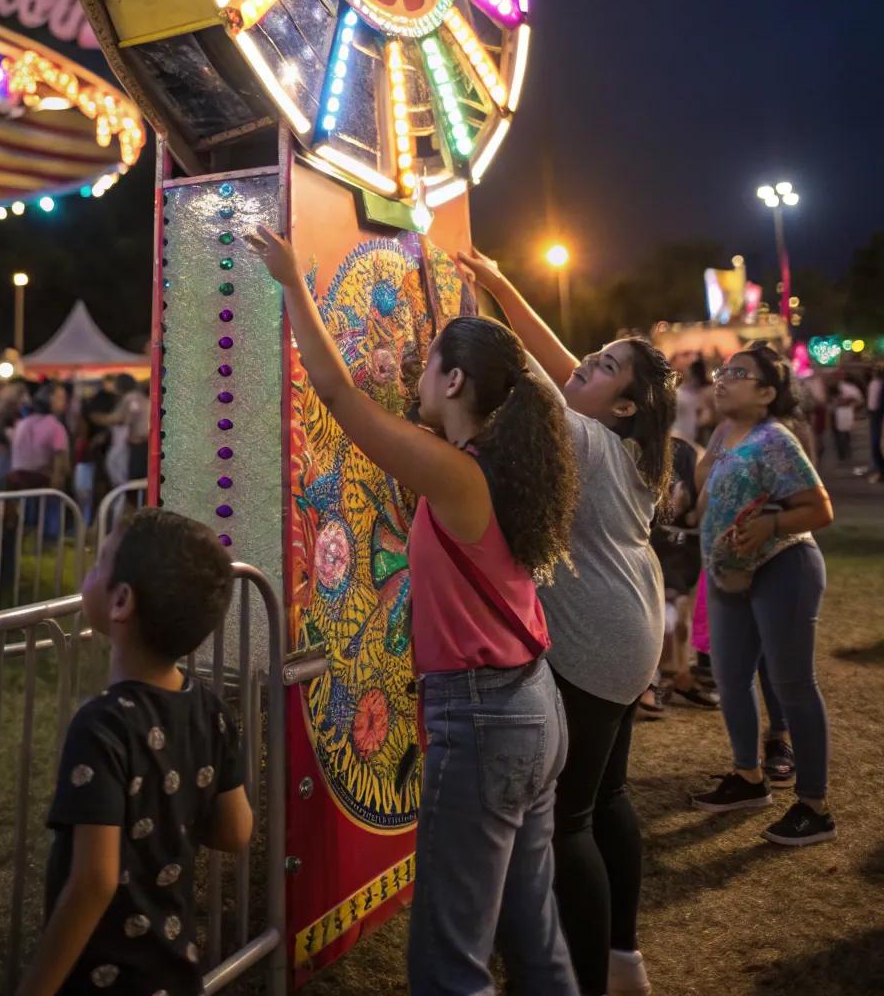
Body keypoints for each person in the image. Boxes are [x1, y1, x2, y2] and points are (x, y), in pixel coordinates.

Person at [252, 226, 580, 996]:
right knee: (532, 934)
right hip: (531, 705)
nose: (412, 375)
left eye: (424, 364)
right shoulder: (502, 469)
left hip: (485, 719)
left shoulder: (458, 477)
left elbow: (337, 396)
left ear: (456, 379)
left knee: (449, 959)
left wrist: (292, 281)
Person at [458, 248, 672, 996]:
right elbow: (562, 368)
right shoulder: (636, 446)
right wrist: (501, 283)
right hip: (635, 626)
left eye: (607, 366)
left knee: (571, 819)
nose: (586, 361)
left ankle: (579, 981)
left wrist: (465, 311)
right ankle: (623, 960)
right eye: (597, 353)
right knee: (607, 797)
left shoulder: (585, 440)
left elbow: (536, 374)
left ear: (623, 403)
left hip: (598, 640)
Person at [16, 508, 252, 995]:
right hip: (174, 968)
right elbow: (235, 829)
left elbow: (93, 882)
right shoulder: (207, 708)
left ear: (121, 601)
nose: (91, 568)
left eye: (99, 561)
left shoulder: (102, 726)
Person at [690, 342, 836, 845]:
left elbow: (819, 510)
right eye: (723, 369)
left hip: (784, 568)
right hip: (730, 574)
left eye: (739, 373)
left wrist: (773, 523)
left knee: (793, 684)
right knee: (731, 680)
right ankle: (749, 779)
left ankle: (814, 806)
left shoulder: (776, 439)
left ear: (768, 392)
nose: (722, 377)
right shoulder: (724, 432)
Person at [642, 436, 717, 715]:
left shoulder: (693, 450)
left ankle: (681, 676)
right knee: (669, 614)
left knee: (681, 617)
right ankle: (652, 683)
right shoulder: (652, 447)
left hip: (690, 544)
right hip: (664, 541)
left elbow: (703, 504)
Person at [9, 384, 71, 534]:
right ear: (49, 400)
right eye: (60, 398)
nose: (64, 403)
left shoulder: (23, 423)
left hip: (18, 478)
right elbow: (60, 457)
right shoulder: (55, 426)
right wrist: (60, 477)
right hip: (41, 480)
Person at [868, 363, 884, 483]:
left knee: (877, 444)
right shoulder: (874, 383)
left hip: (879, 416)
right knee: (875, 445)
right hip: (874, 415)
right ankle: (880, 471)